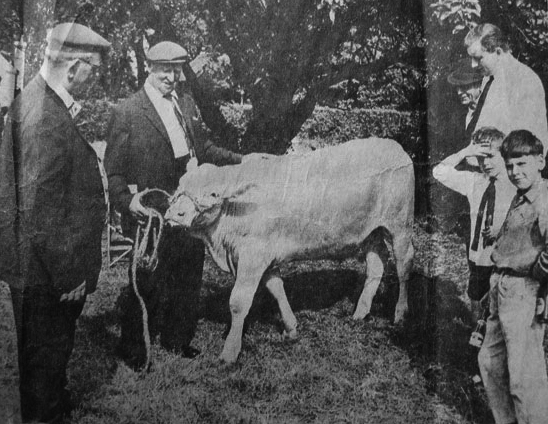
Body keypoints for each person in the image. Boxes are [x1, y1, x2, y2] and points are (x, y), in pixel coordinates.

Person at [105, 41, 246, 370]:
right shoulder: (127, 112)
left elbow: (204, 148)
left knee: (188, 271)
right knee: (147, 279)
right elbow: (114, 172)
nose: (172, 76)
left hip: (187, 207)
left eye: (177, 69)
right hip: (150, 212)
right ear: (149, 68)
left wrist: (243, 161)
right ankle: (134, 348)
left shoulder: (185, 102)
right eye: (165, 69)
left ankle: (177, 339)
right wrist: (128, 202)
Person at [0, 23, 110, 423]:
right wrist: (69, 275)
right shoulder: (44, 115)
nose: (95, 78)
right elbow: (40, 209)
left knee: (45, 359)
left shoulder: (38, 100)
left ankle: (52, 405)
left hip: (35, 265)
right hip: (46, 271)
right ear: (72, 68)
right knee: (44, 361)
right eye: (93, 70)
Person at [479, 129, 548, 424]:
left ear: (540, 161)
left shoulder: (543, 200)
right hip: (502, 285)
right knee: (490, 363)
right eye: (509, 165)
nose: (515, 172)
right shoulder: (522, 196)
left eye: (522, 164)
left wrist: (540, 280)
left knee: (523, 377)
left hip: (524, 291)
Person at [433, 127, 516, 319]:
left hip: (505, 257)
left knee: (503, 307)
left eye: (490, 156)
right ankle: (477, 336)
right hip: (478, 256)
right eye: (480, 158)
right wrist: (465, 152)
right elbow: (439, 171)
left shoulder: (516, 183)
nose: (485, 163)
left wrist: (502, 231)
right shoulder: (475, 181)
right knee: (476, 300)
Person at [465, 23, 548, 152]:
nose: (473, 65)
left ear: (498, 51)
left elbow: (528, 145)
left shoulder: (524, 80)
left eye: (478, 58)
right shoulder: (488, 78)